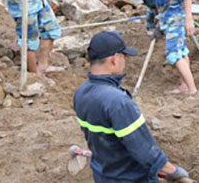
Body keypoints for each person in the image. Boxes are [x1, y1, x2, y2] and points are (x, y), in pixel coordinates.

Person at [73, 31, 190, 182]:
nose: (125, 61)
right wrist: (173, 171)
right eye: (124, 56)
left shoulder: (81, 93)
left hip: (103, 176)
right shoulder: (117, 102)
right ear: (115, 59)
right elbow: (144, 149)